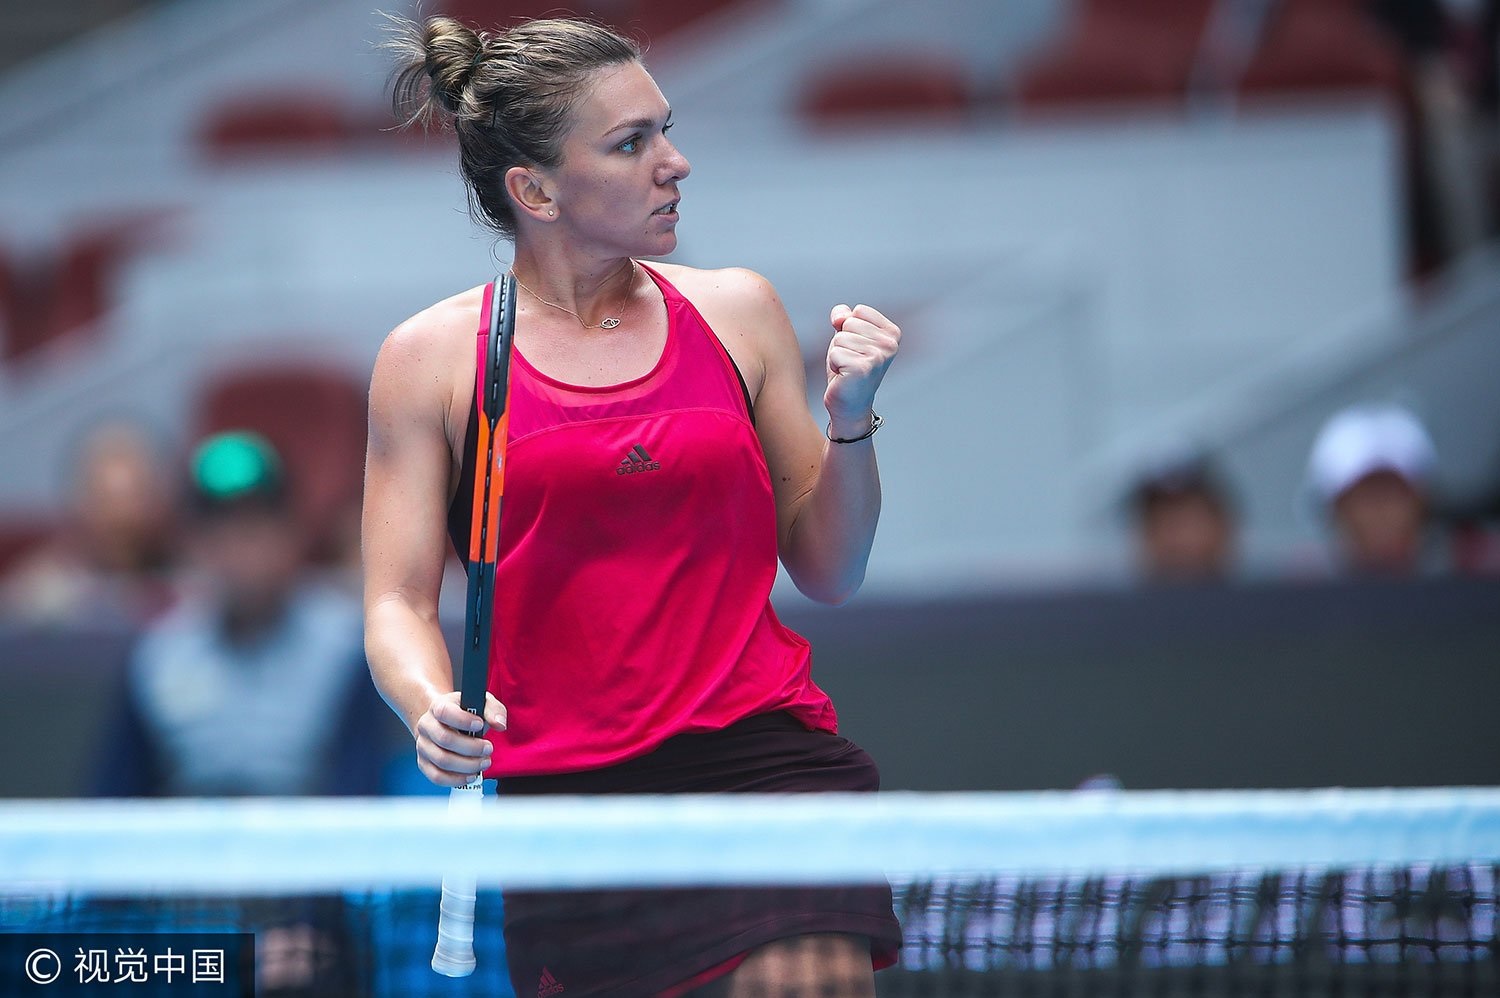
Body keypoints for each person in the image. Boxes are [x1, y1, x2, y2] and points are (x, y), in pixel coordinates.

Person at [363, 14, 903, 997]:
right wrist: (429, 701)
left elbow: (831, 569)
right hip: (568, 805)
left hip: (763, 762)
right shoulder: (429, 362)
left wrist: (851, 423)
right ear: (535, 191)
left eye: (667, 130)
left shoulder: (737, 311)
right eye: (630, 143)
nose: (675, 162)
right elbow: (396, 600)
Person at [0, 418, 178, 626]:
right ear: (78, 504)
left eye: (138, 496)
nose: (122, 517)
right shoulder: (36, 598)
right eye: (106, 500)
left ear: (162, 497)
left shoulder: (196, 580)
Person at [1304, 403, 1445, 577]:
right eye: (1367, 497)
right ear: (1336, 510)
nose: (1382, 513)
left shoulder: (1466, 578)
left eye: (1393, 494)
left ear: (1422, 504)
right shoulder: (1305, 585)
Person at [1124, 451, 1239, 584]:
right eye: (1166, 524)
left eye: (1194, 523)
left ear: (1223, 527)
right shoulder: (1113, 597)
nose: (1181, 539)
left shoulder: (1255, 596)